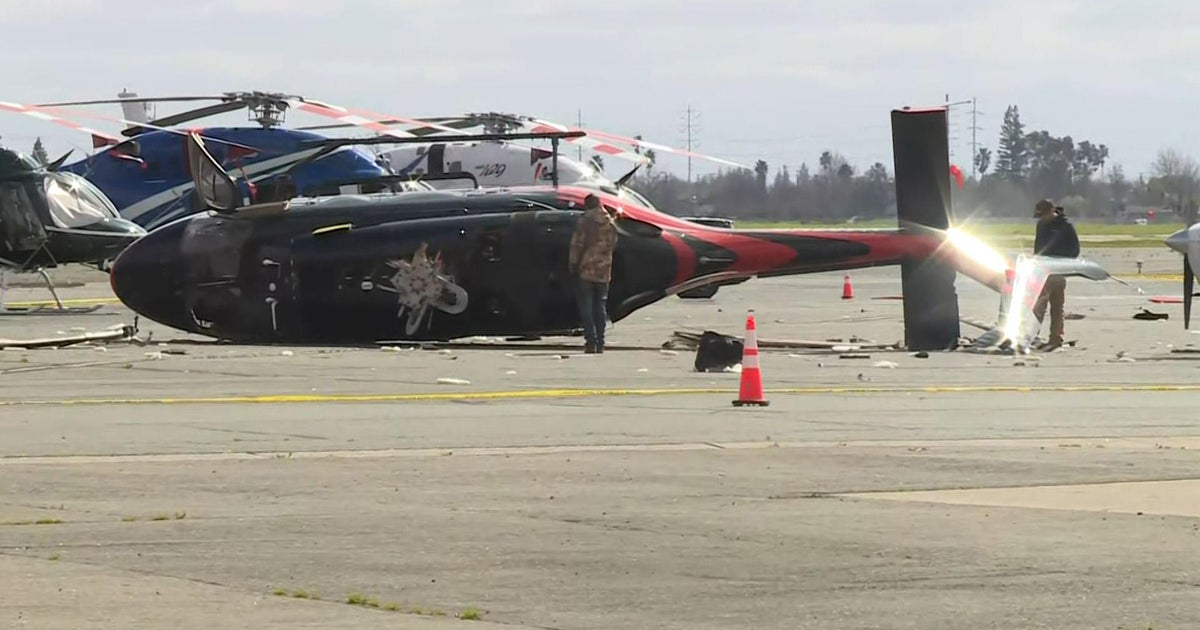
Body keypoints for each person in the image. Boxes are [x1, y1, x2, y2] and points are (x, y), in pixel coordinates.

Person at [568, 194, 618, 353]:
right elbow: (613, 244)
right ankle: (601, 343)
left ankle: (591, 342)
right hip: (604, 269)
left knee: (586, 307)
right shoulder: (610, 222)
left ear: (587, 205)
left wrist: (572, 263)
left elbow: (577, 244)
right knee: (600, 306)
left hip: (586, 268)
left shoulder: (585, 221)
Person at [1031, 199, 1080, 351]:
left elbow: (1075, 251)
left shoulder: (1066, 226)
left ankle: (1056, 338)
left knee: (1057, 306)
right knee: (1038, 306)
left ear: (1052, 211)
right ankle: (1031, 335)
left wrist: (1058, 261)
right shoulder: (1041, 225)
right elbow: (1037, 248)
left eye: (1043, 215)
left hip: (1058, 271)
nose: (1042, 218)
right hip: (1042, 272)